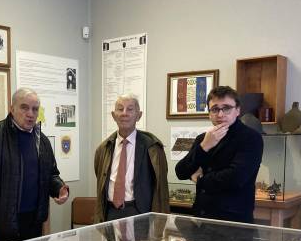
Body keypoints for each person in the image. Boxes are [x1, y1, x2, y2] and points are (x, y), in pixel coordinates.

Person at [0, 87, 69, 241]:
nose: (30, 113)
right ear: (12, 108)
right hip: (1, 224)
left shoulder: (42, 141)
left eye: (35, 109)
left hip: (34, 223)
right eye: (24, 107)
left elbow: (50, 175)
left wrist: (59, 188)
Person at [175, 86, 263, 223]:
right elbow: (180, 172)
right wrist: (204, 146)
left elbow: (235, 178)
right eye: (215, 109)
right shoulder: (203, 138)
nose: (220, 114)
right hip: (201, 219)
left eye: (226, 108)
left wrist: (200, 179)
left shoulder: (251, 138)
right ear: (209, 113)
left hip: (233, 223)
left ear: (237, 110)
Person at [94, 94, 169, 222]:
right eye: (120, 109)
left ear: (138, 115)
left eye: (130, 109)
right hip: (110, 213)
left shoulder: (152, 148)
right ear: (113, 115)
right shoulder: (103, 149)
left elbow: (161, 186)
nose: (124, 113)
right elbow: (100, 176)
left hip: (139, 213)